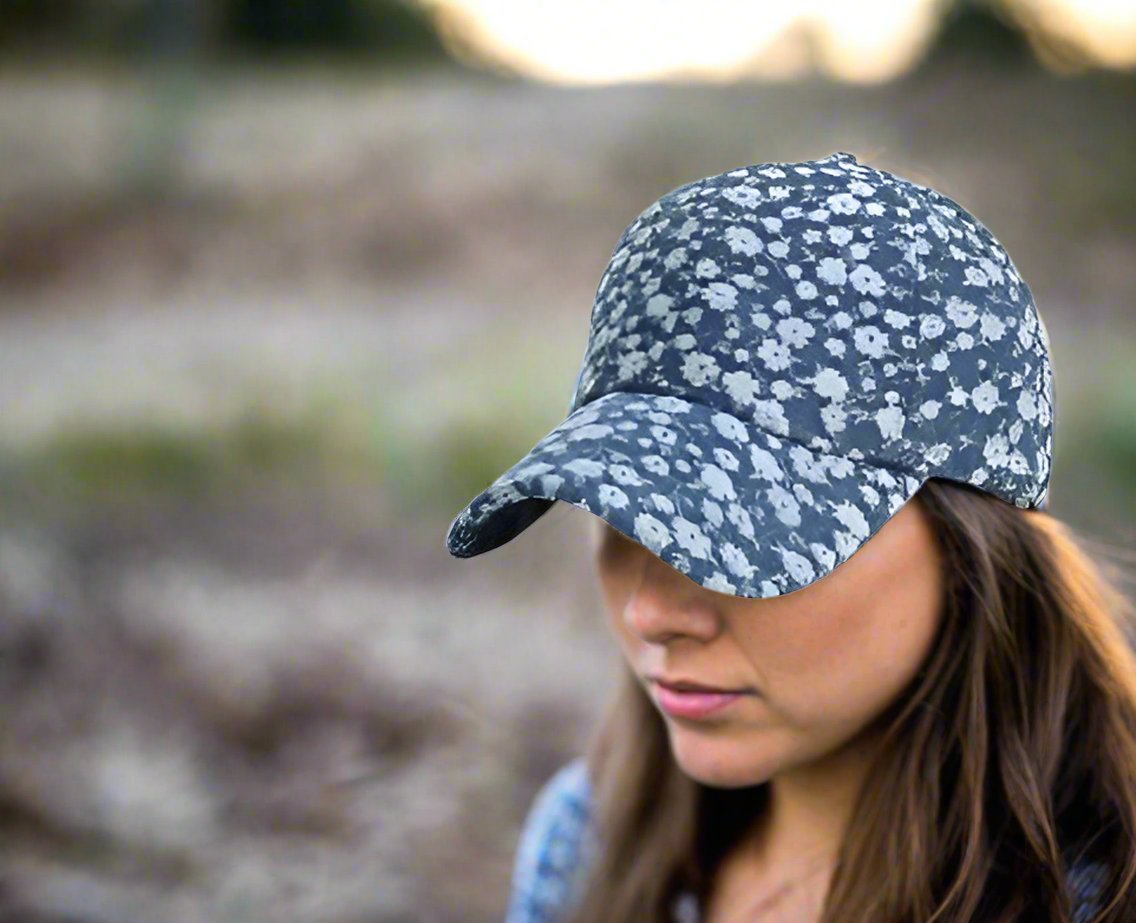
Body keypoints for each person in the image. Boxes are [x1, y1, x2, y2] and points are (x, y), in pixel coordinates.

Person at [444, 152, 1136, 922]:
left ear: (972, 547)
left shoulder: (1094, 897)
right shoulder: (585, 841)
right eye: (623, 506)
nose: (652, 612)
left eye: (747, 527)